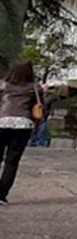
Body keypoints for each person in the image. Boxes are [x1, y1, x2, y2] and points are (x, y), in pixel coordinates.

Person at [0, 61, 41, 205]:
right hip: (23, 124)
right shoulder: (34, 88)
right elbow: (39, 105)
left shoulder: (3, 85)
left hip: (2, 122)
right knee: (12, 161)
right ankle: (2, 194)